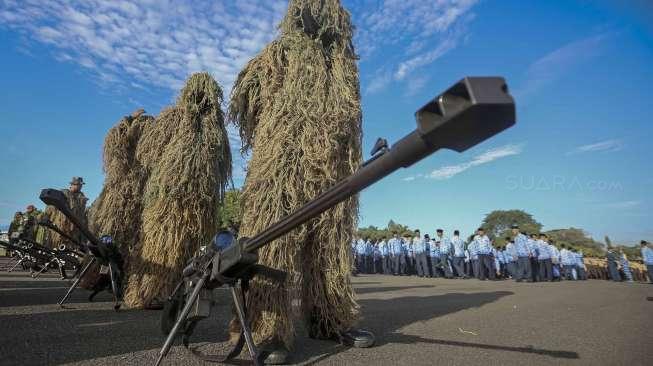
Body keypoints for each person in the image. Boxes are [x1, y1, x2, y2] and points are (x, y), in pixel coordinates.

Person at [42, 176, 88, 249]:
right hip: (62, 224)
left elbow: (83, 213)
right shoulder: (64, 193)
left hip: (75, 227)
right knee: (58, 243)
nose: (80, 187)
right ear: (73, 184)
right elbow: (51, 206)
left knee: (72, 246)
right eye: (79, 185)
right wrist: (47, 217)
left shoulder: (81, 197)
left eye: (81, 185)